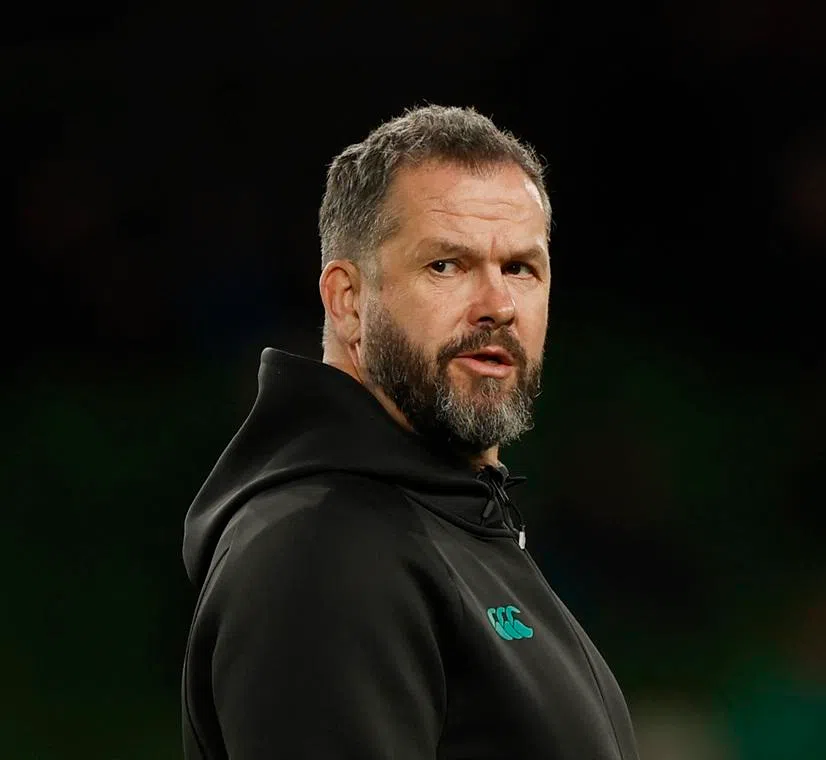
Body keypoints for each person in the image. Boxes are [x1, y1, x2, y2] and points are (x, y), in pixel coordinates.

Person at [180, 105, 641, 759]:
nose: (498, 306)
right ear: (347, 300)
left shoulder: (449, 524)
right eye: (446, 266)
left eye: (520, 268)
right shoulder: (326, 549)